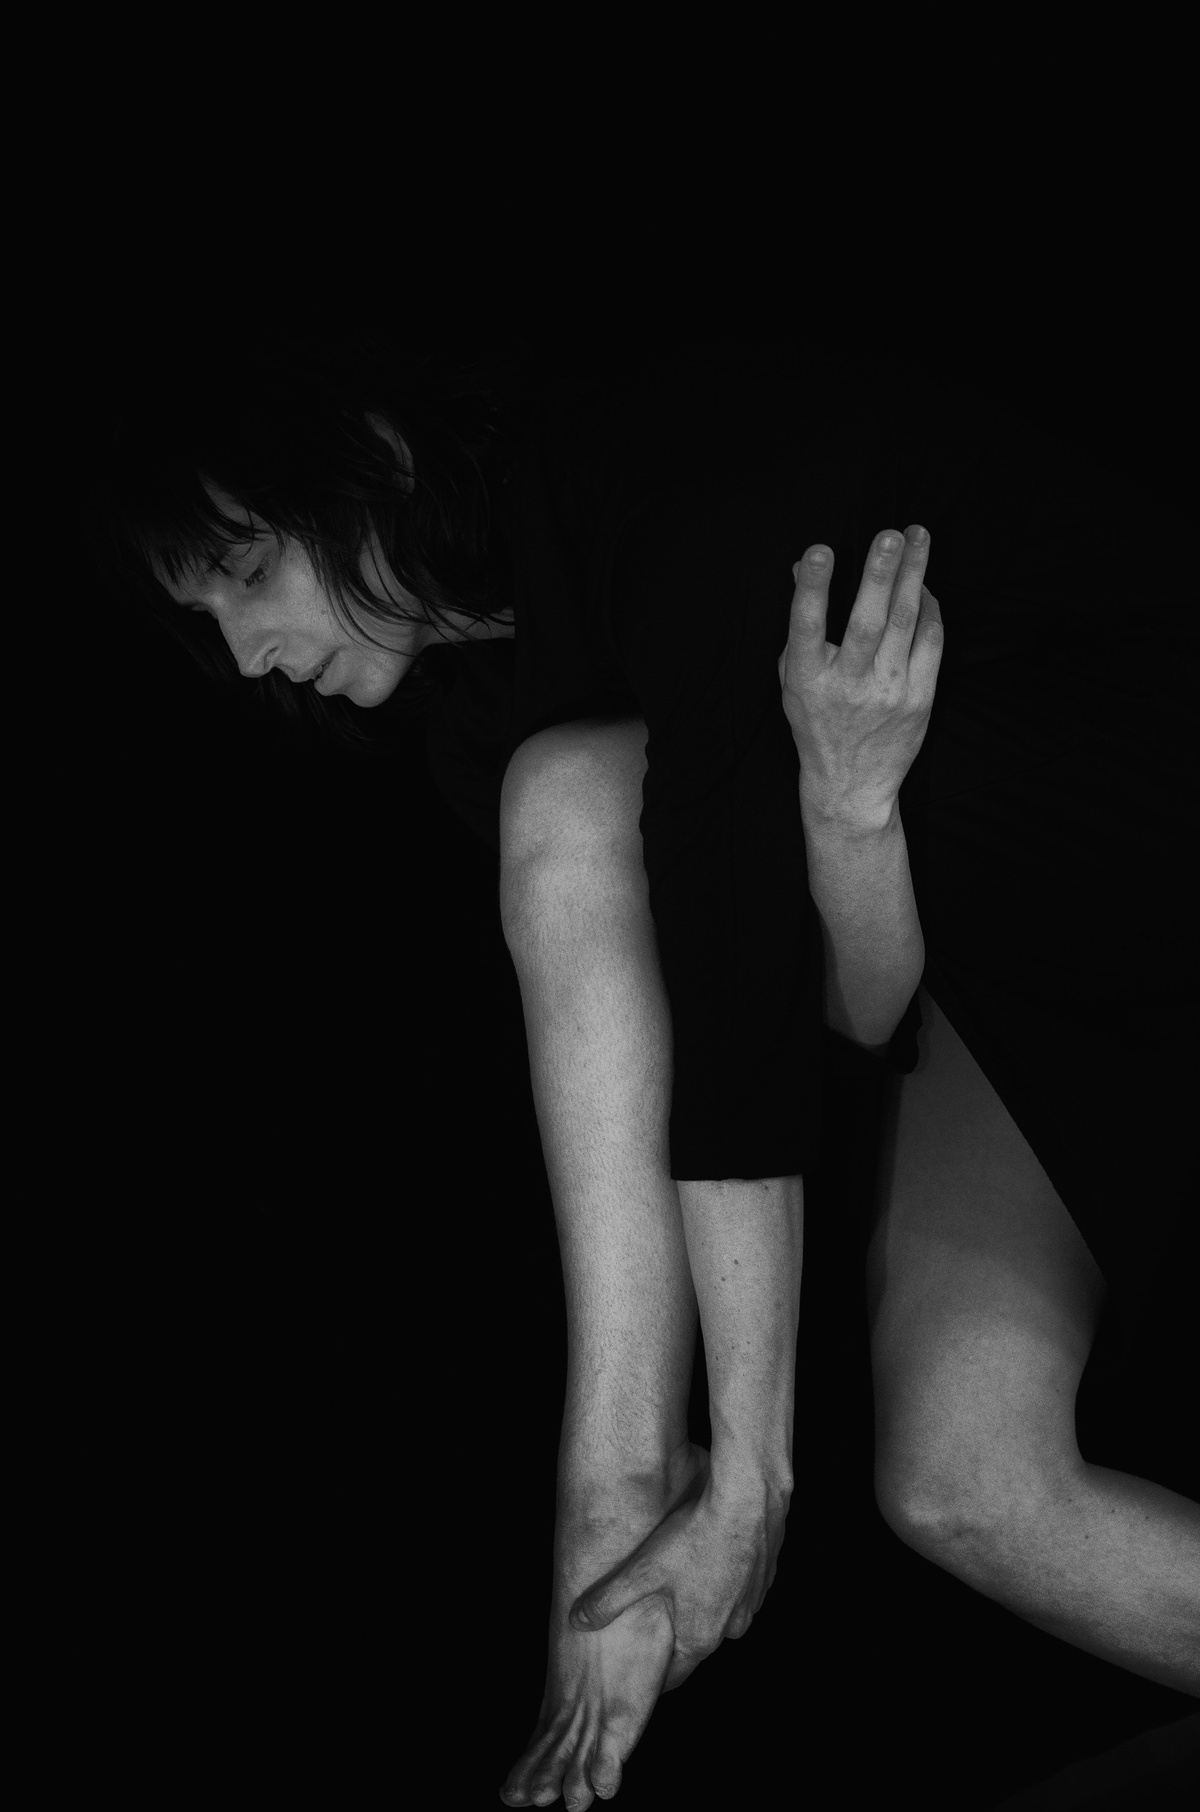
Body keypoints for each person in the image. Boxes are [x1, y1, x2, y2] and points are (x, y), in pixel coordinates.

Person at [85, 326, 1198, 1811]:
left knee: (576, 795)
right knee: (964, 1484)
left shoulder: (664, 478)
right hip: (1014, 983)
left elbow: (743, 1014)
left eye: (247, 571)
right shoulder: (487, 726)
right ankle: (619, 1493)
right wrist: (851, 819)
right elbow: (861, 1009)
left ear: (370, 456)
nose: (246, 653)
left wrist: (754, 1476)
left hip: (1149, 826)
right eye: (206, 615)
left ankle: (645, 1482)